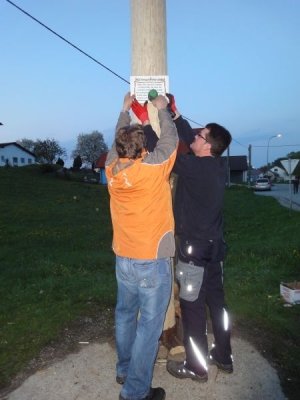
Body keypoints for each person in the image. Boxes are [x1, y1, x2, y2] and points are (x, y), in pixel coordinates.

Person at [105, 92, 178, 400]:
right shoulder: (154, 168)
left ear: (120, 149)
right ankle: (135, 391)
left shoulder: (111, 169)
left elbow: (114, 144)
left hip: (124, 258)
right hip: (151, 259)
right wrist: (161, 110)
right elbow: (170, 140)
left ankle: (124, 370)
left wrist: (124, 111)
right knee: (149, 325)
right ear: (143, 149)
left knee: (124, 314)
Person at [164, 94, 233, 382]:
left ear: (207, 144)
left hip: (194, 250)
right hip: (214, 250)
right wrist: (176, 115)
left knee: (192, 309)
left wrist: (155, 118)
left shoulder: (193, 168)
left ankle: (197, 366)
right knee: (217, 305)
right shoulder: (217, 166)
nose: (195, 135)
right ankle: (223, 356)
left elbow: (168, 152)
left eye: (200, 134)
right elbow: (188, 140)